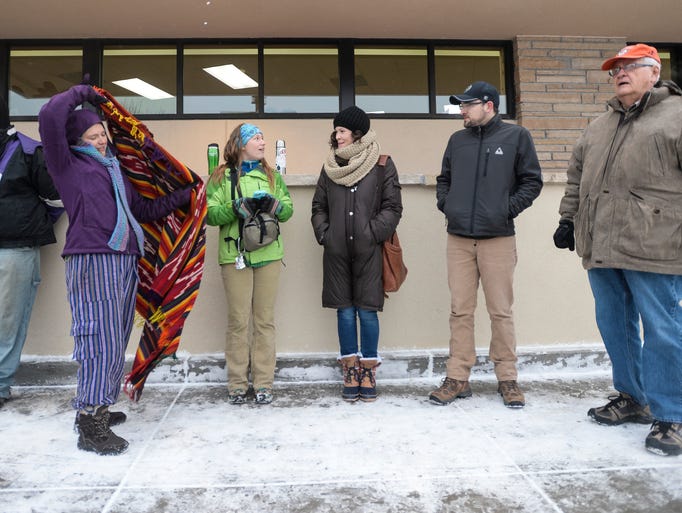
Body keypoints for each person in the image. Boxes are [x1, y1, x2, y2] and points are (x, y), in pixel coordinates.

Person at [38, 84, 195, 455]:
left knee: (116, 336)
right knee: (98, 337)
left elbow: (142, 211)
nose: (102, 141)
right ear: (77, 139)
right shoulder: (67, 164)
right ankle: (89, 421)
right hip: (92, 258)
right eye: (93, 136)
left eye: (103, 134)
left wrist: (185, 196)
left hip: (125, 259)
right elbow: (48, 117)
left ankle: (100, 407)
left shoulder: (115, 171)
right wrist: (81, 92)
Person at [553, 44, 682, 456]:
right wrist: (567, 219)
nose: (620, 74)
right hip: (603, 244)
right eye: (615, 70)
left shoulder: (677, 115)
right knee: (615, 325)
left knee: (662, 330)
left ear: (653, 71)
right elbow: (577, 177)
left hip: (656, 243)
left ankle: (672, 415)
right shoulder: (599, 125)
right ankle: (633, 398)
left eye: (630, 67)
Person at [430, 82, 542, 409]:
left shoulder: (516, 137)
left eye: (467, 105)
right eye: (460, 105)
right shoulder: (457, 140)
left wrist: (505, 209)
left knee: (500, 312)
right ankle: (457, 377)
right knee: (460, 311)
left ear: (489, 105)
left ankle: (507, 379)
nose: (462, 110)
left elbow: (531, 181)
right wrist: (447, 204)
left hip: (498, 239)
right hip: (459, 239)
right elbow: (444, 180)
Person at [311, 106, 403, 402]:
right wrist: (326, 234)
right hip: (336, 250)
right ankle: (350, 370)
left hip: (369, 251)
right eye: (335, 131)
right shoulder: (330, 167)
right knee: (345, 312)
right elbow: (318, 207)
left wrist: (372, 233)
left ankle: (368, 370)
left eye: (342, 130)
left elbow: (393, 207)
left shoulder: (381, 165)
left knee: (367, 311)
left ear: (357, 133)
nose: (336, 136)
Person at [206, 123, 293, 406]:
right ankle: (237, 383)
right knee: (238, 321)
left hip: (269, 254)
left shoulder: (271, 176)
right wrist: (234, 208)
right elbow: (209, 214)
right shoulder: (221, 176)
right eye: (257, 138)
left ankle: (264, 383)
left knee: (264, 321)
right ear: (241, 144)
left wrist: (274, 206)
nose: (263, 142)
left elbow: (288, 209)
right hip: (235, 256)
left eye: (263, 137)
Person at [0, 94, 62, 408]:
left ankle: (0, 384)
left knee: (7, 320)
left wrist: (32, 222)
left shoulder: (27, 150)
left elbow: (57, 198)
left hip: (15, 249)